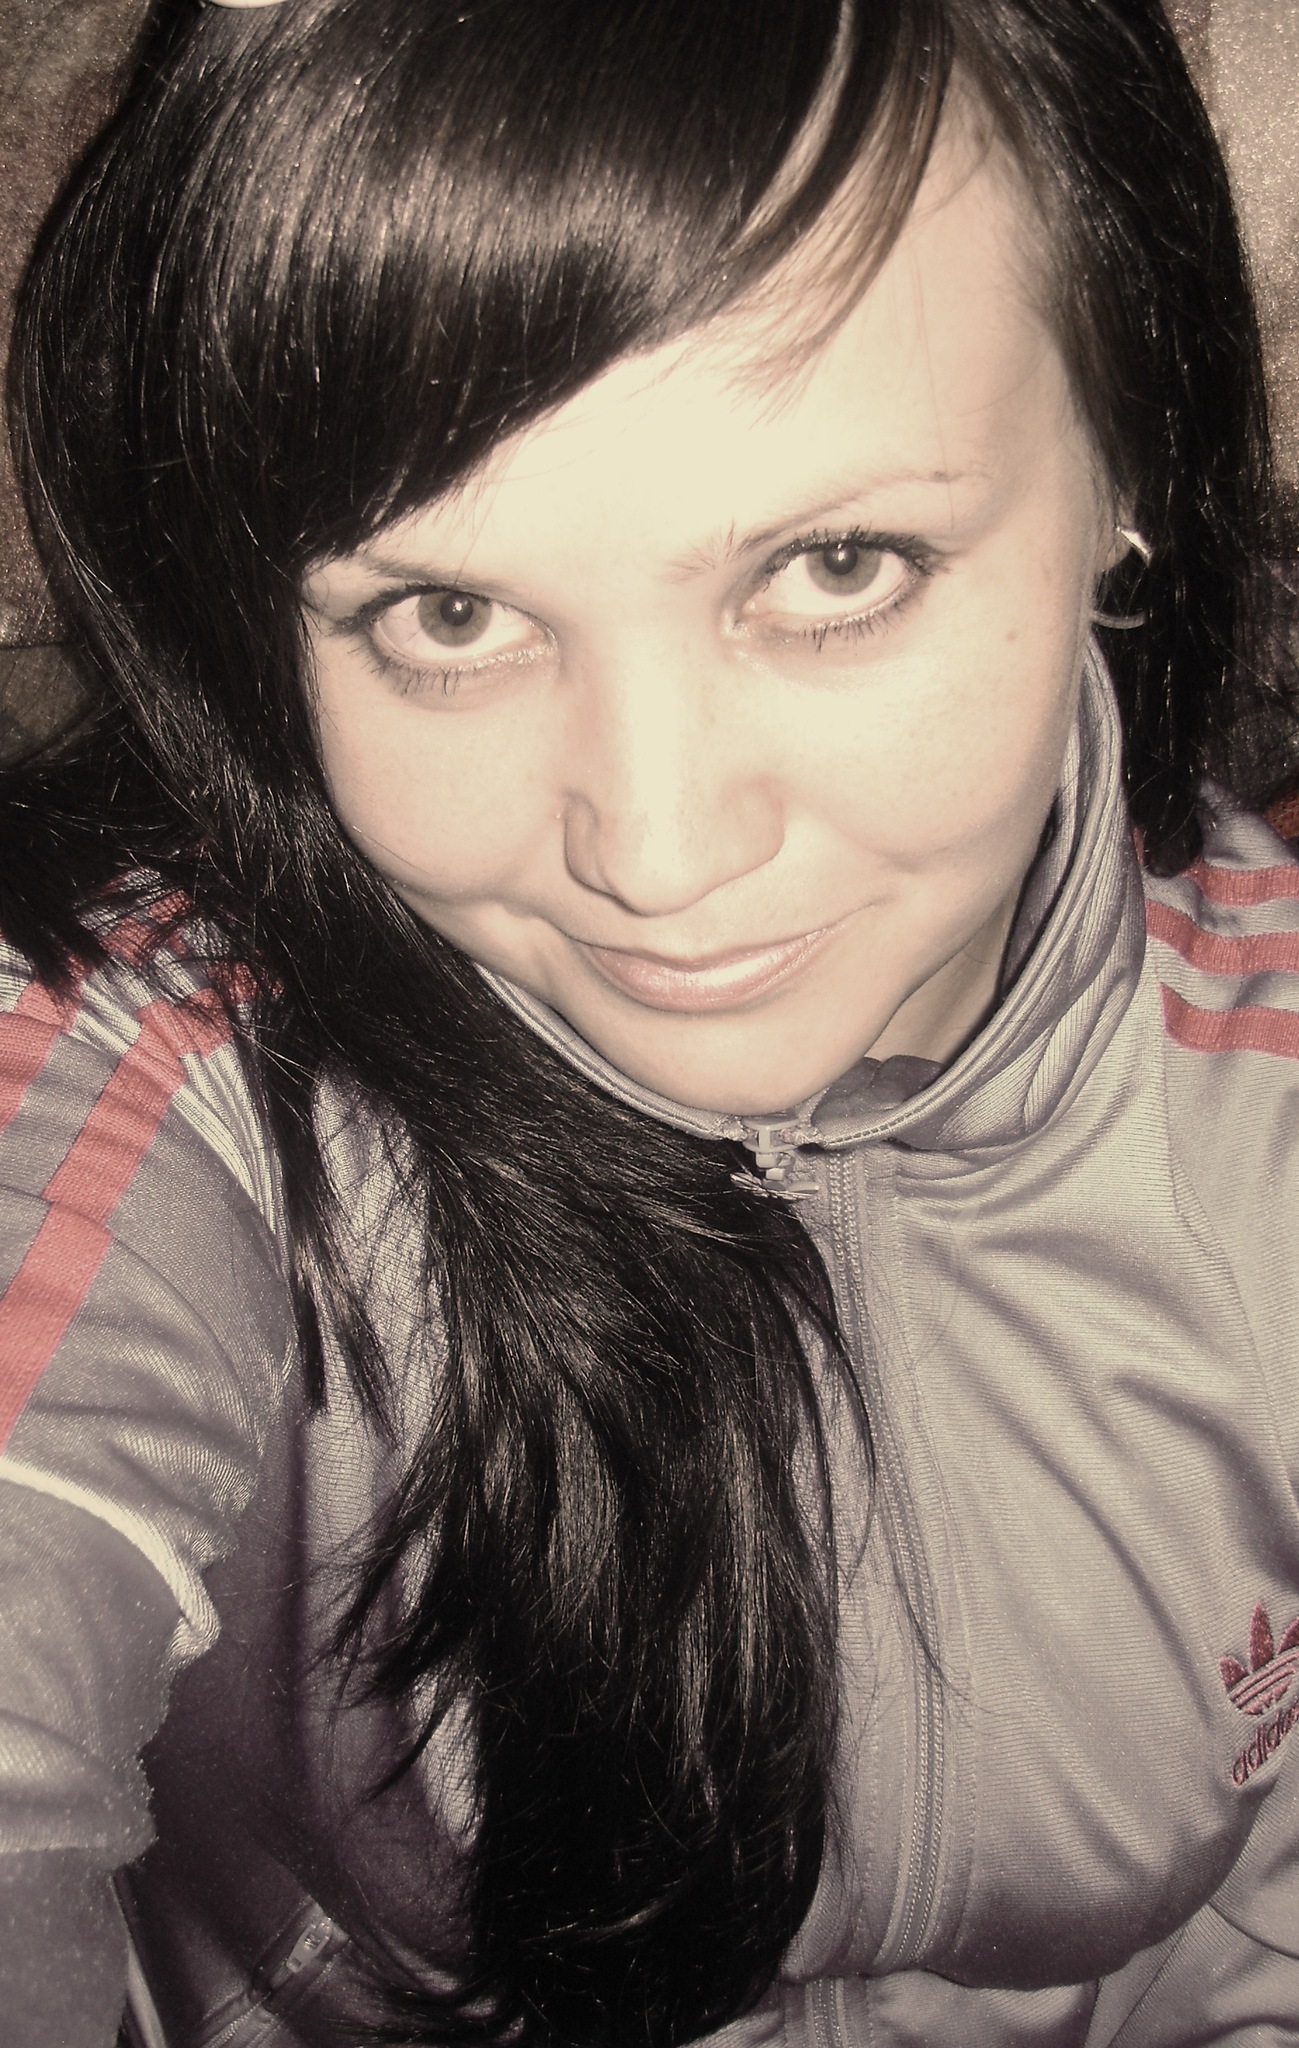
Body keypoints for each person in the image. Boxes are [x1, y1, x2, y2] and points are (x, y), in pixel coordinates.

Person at [2, 0, 1298, 2041]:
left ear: (1129, 457)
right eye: (446, 615)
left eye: (837, 564)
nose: (659, 852)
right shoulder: (161, 1064)